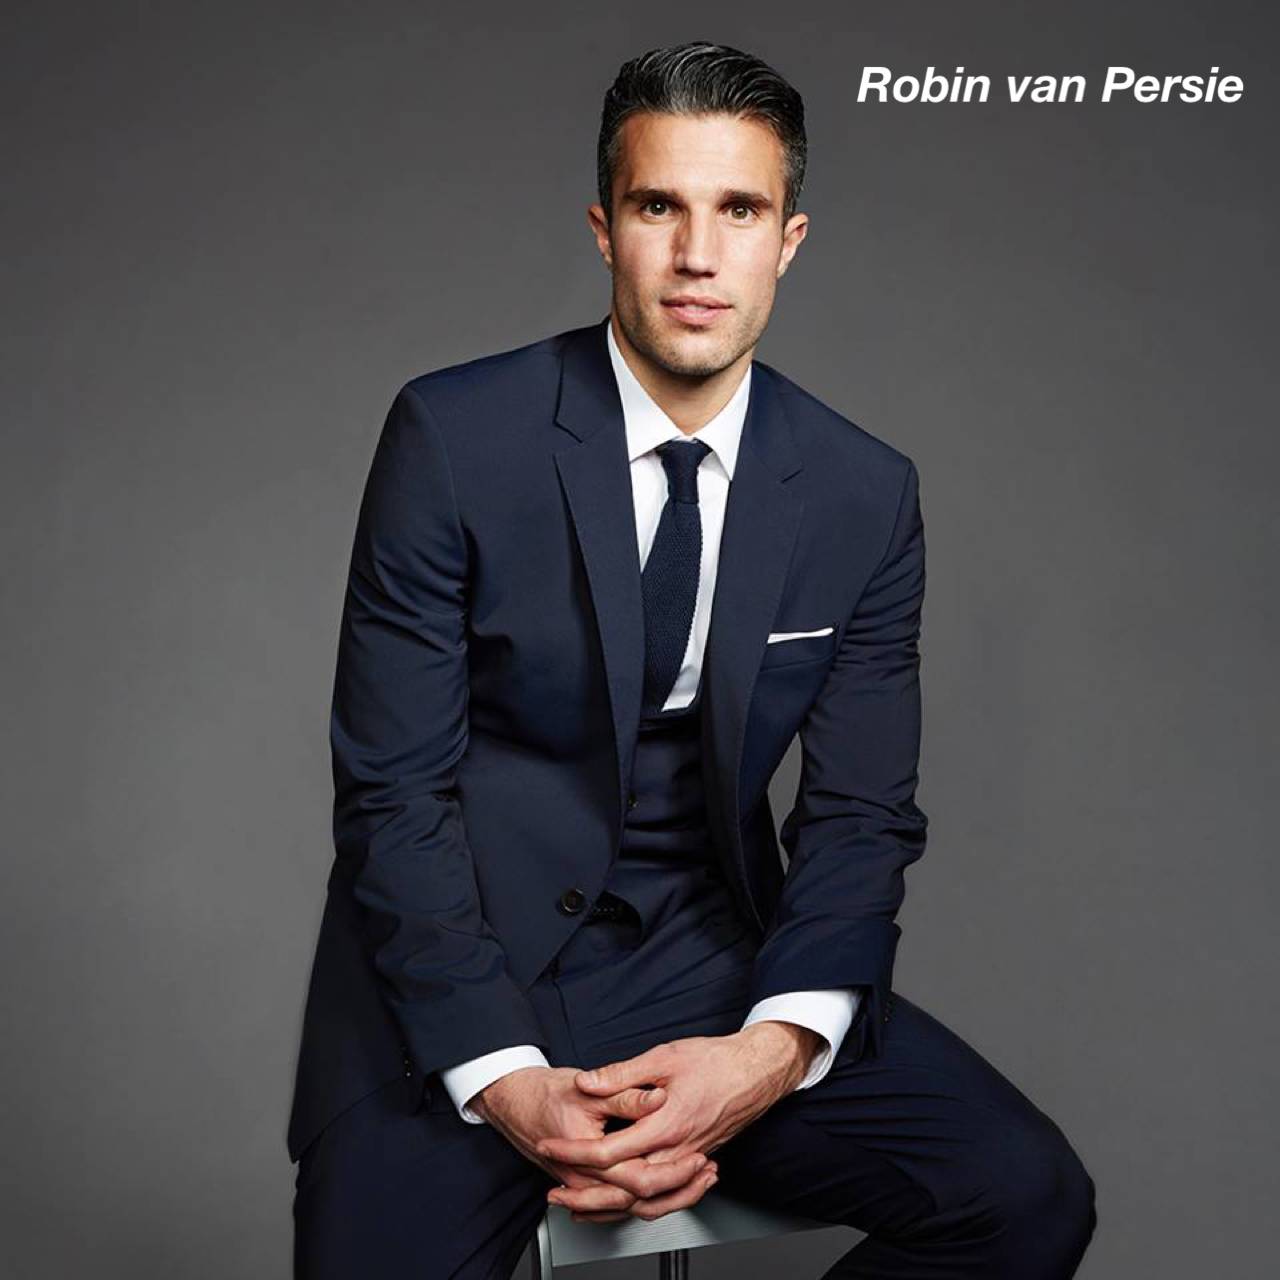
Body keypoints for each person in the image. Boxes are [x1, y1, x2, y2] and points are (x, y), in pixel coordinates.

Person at [288, 40, 1097, 1279]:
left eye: (739, 210)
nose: (697, 254)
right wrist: (503, 1075)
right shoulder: (452, 436)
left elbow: (860, 814)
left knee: (1022, 1194)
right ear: (604, 228)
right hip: (457, 963)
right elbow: (393, 791)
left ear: (789, 238)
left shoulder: (861, 492)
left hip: (709, 959)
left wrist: (767, 1051)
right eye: (659, 206)